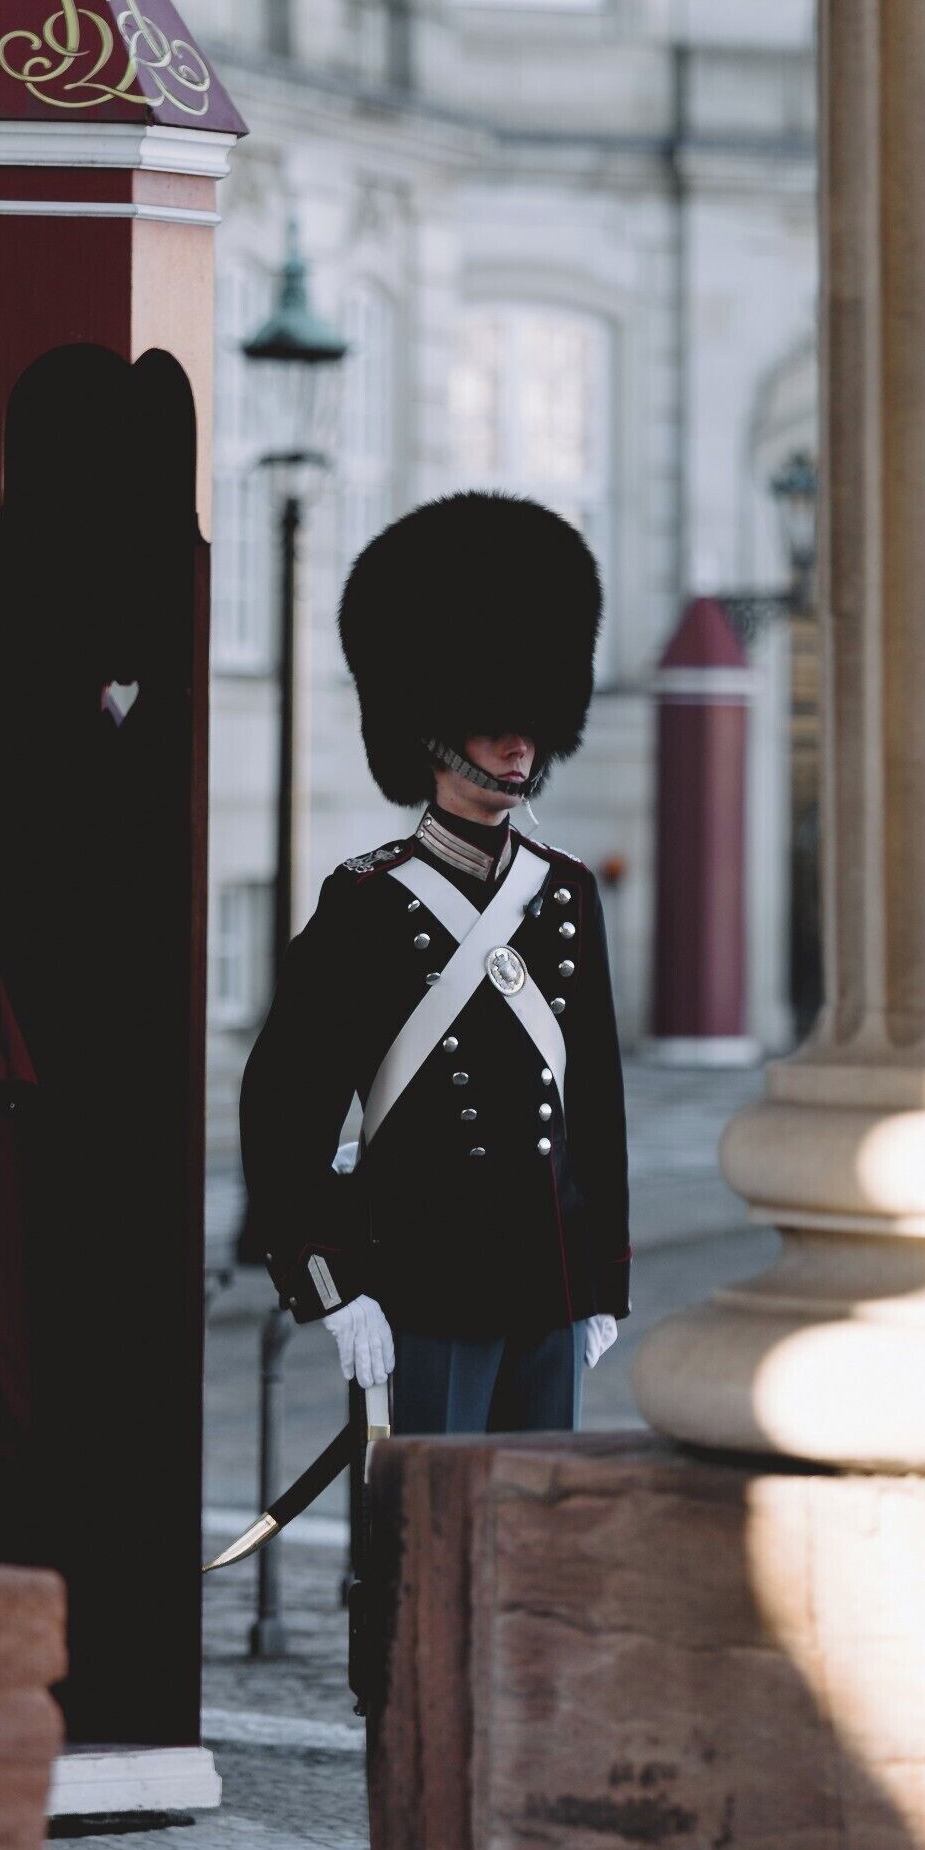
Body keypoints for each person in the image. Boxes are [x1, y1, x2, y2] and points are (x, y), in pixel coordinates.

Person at [240, 490, 630, 1435]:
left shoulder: (565, 891)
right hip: (427, 1288)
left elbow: (596, 1107)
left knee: (532, 1540)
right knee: (423, 1551)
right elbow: (282, 1110)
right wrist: (329, 1283)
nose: (518, 738)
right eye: (492, 715)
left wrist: (601, 1282)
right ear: (430, 726)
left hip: (547, 1288)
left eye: (530, 715)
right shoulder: (367, 903)